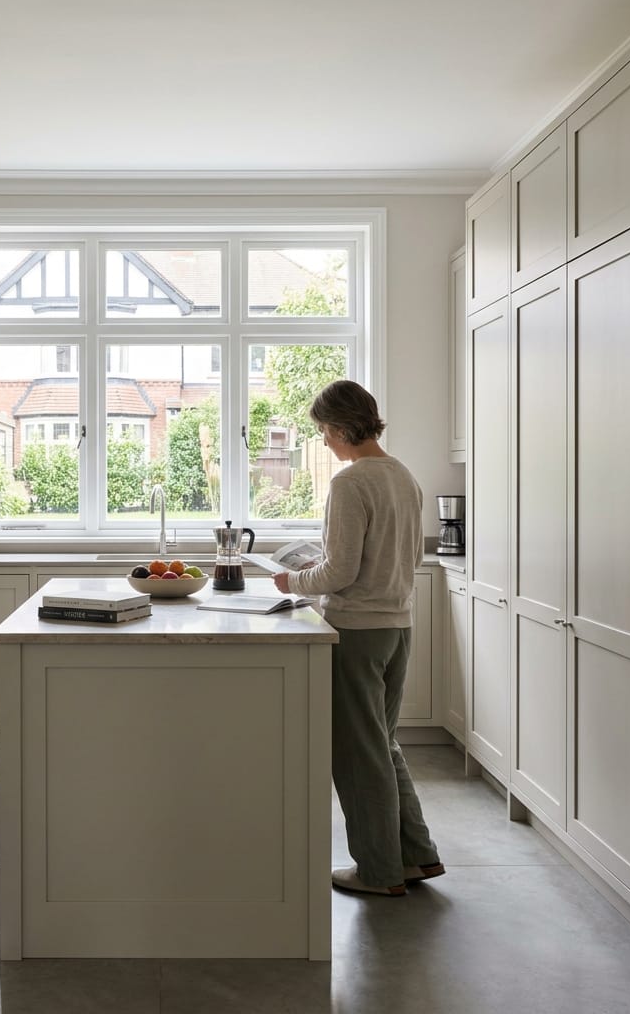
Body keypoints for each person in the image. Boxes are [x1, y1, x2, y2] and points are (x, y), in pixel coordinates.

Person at [272, 380, 443, 897]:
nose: (324, 441)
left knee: (357, 754)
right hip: (397, 627)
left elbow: (341, 572)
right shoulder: (403, 476)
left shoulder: (351, 483)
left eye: (324, 430)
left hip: (357, 633)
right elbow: (403, 560)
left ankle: (378, 871)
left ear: (343, 426)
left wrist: (293, 580)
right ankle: (415, 856)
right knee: (383, 745)